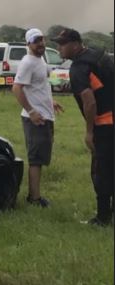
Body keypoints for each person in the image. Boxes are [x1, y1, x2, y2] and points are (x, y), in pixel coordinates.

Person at [52, 28, 114, 226]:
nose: (59, 48)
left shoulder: (78, 68)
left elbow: (90, 102)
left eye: (62, 44)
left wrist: (89, 131)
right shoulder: (99, 54)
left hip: (104, 125)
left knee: (100, 171)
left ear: (76, 44)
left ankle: (103, 218)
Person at [12, 28, 63, 207]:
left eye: (42, 39)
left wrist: (52, 101)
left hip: (45, 114)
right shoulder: (28, 62)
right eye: (36, 41)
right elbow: (16, 88)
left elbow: (39, 86)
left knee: (40, 157)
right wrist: (31, 111)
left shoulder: (40, 59)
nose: (40, 43)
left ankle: (35, 195)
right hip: (35, 118)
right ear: (29, 44)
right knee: (35, 159)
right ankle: (34, 198)